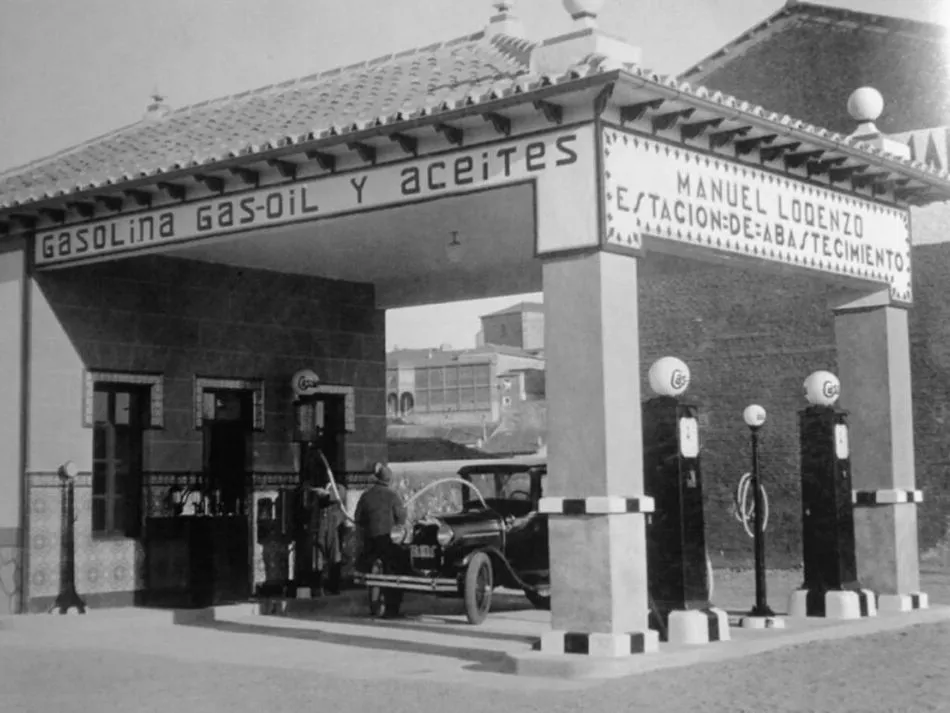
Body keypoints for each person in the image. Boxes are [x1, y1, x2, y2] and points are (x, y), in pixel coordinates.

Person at [354, 462, 407, 572]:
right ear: (389, 480)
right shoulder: (392, 495)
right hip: (387, 540)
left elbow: (357, 517)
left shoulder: (366, 495)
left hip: (369, 540)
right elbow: (401, 518)